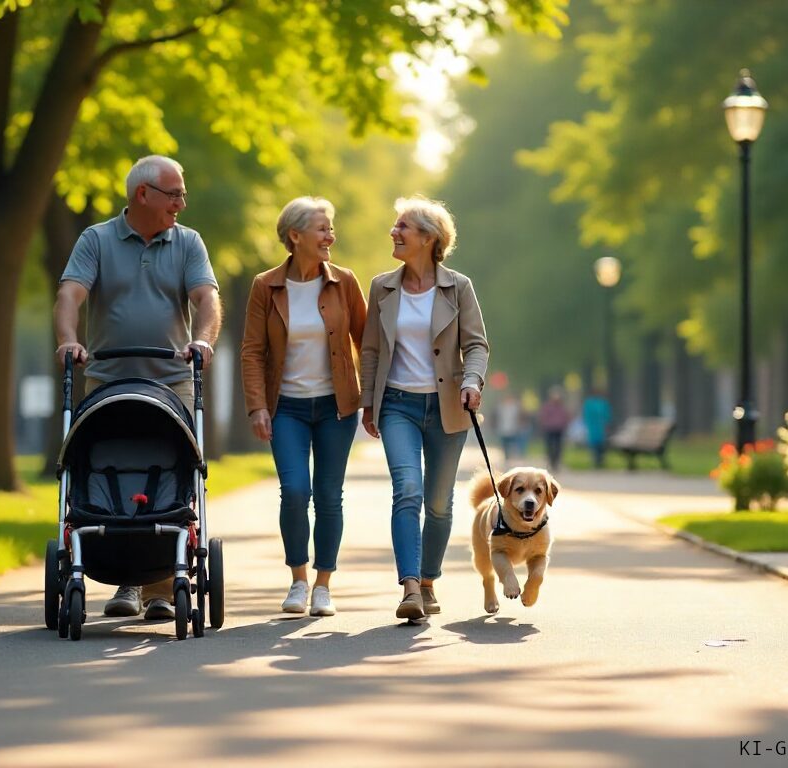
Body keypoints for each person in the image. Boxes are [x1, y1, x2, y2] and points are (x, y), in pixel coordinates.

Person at [53, 154, 221, 622]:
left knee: (172, 473)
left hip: (171, 381)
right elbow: (70, 293)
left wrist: (203, 339)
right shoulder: (98, 240)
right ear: (142, 194)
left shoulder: (188, 243)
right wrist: (69, 340)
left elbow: (207, 297)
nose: (182, 204)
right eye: (174, 194)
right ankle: (125, 579)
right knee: (110, 471)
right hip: (109, 381)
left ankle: (162, 584)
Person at [360, 195, 489, 620]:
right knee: (407, 491)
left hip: (448, 407)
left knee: (438, 503)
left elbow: (476, 345)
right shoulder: (382, 285)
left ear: (429, 239)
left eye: (402, 228)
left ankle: (429, 580)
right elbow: (372, 350)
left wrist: (471, 381)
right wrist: (368, 403)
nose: (393, 233)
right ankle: (410, 587)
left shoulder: (459, 286)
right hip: (397, 403)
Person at [240, 197, 367, 617]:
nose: (331, 236)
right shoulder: (266, 285)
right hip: (287, 408)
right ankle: (297, 579)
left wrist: (372, 400)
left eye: (331, 228)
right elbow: (252, 351)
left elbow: (367, 343)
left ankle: (323, 585)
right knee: (295, 491)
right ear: (295, 236)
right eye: (322, 229)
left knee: (329, 495)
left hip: (336, 408)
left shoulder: (344, 282)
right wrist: (257, 406)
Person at [537, 387, 570, 473]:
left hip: (559, 429)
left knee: (558, 447)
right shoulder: (547, 407)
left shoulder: (562, 407)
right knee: (550, 446)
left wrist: (564, 424)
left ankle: (556, 462)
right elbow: (543, 417)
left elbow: (565, 417)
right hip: (549, 429)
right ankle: (551, 461)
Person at [582, 388, 613, 468]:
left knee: (601, 445)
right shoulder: (591, 403)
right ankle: (597, 460)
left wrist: (606, 424)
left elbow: (607, 415)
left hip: (600, 427)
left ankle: (600, 460)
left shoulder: (602, 403)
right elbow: (586, 415)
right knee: (595, 445)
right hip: (594, 427)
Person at [494, 390, 525, 461]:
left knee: (512, 443)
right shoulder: (501, 407)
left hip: (513, 428)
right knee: (504, 444)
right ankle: (506, 456)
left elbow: (519, 417)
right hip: (503, 428)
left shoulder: (515, 407)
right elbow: (497, 417)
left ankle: (512, 455)